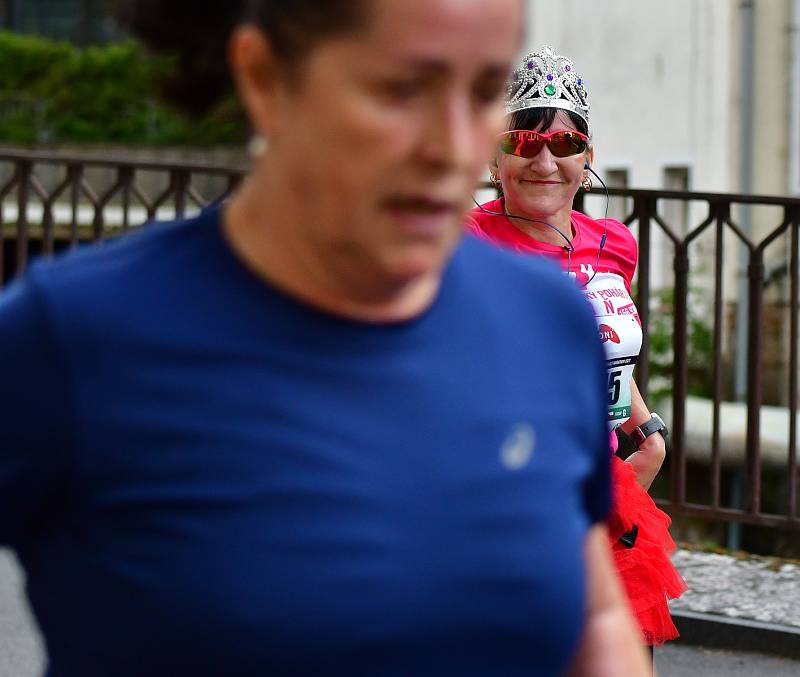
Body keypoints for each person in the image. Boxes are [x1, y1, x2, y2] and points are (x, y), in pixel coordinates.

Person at [0, 5, 650, 675]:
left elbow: (593, 616)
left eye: (484, 92)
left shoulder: (547, 320)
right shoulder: (79, 338)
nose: (454, 146)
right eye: (401, 90)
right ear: (266, 79)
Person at [467, 45, 687, 648]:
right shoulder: (466, 246)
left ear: (588, 156)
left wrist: (650, 438)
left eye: (564, 144)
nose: (544, 161)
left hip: (608, 499)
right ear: (494, 156)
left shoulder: (613, 244)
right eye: (523, 142)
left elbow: (610, 359)